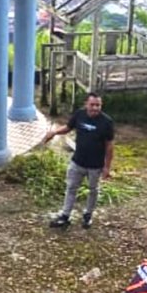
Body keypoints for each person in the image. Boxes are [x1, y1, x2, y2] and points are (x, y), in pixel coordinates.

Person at [42, 92, 115, 229]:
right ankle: (65, 216)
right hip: (77, 162)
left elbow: (109, 146)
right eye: (92, 105)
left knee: (93, 190)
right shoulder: (79, 115)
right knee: (71, 188)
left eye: (98, 105)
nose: (95, 108)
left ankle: (88, 215)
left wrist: (107, 167)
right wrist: (54, 132)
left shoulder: (106, 122)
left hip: (95, 166)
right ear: (86, 104)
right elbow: (68, 127)